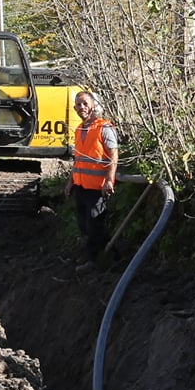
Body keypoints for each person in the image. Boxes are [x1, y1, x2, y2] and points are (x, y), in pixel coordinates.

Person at [70, 90, 120, 263]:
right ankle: (112, 256)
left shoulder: (104, 127)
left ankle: (94, 260)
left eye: (84, 103)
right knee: (85, 226)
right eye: (78, 104)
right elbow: (78, 159)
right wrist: (70, 182)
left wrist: (109, 180)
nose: (81, 107)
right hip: (81, 187)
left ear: (94, 105)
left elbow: (113, 155)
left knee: (94, 225)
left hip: (97, 188)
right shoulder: (78, 130)